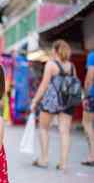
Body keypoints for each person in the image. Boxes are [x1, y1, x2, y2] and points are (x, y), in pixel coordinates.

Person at [30, 40, 78, 170]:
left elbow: (44, 85)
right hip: (67, 102)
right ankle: (63, 163)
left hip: (52, 101)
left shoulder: (51, 64)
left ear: (55, 51)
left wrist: (35, 100)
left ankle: (44, 159)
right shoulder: (71, 66)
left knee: (44, 128)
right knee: (65, 131)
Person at [81, 50, 94, 166]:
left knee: (87, 123)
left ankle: (92, 156)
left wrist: (85, 95)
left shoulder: (92, 56)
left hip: (93, 96)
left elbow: (90, 77)